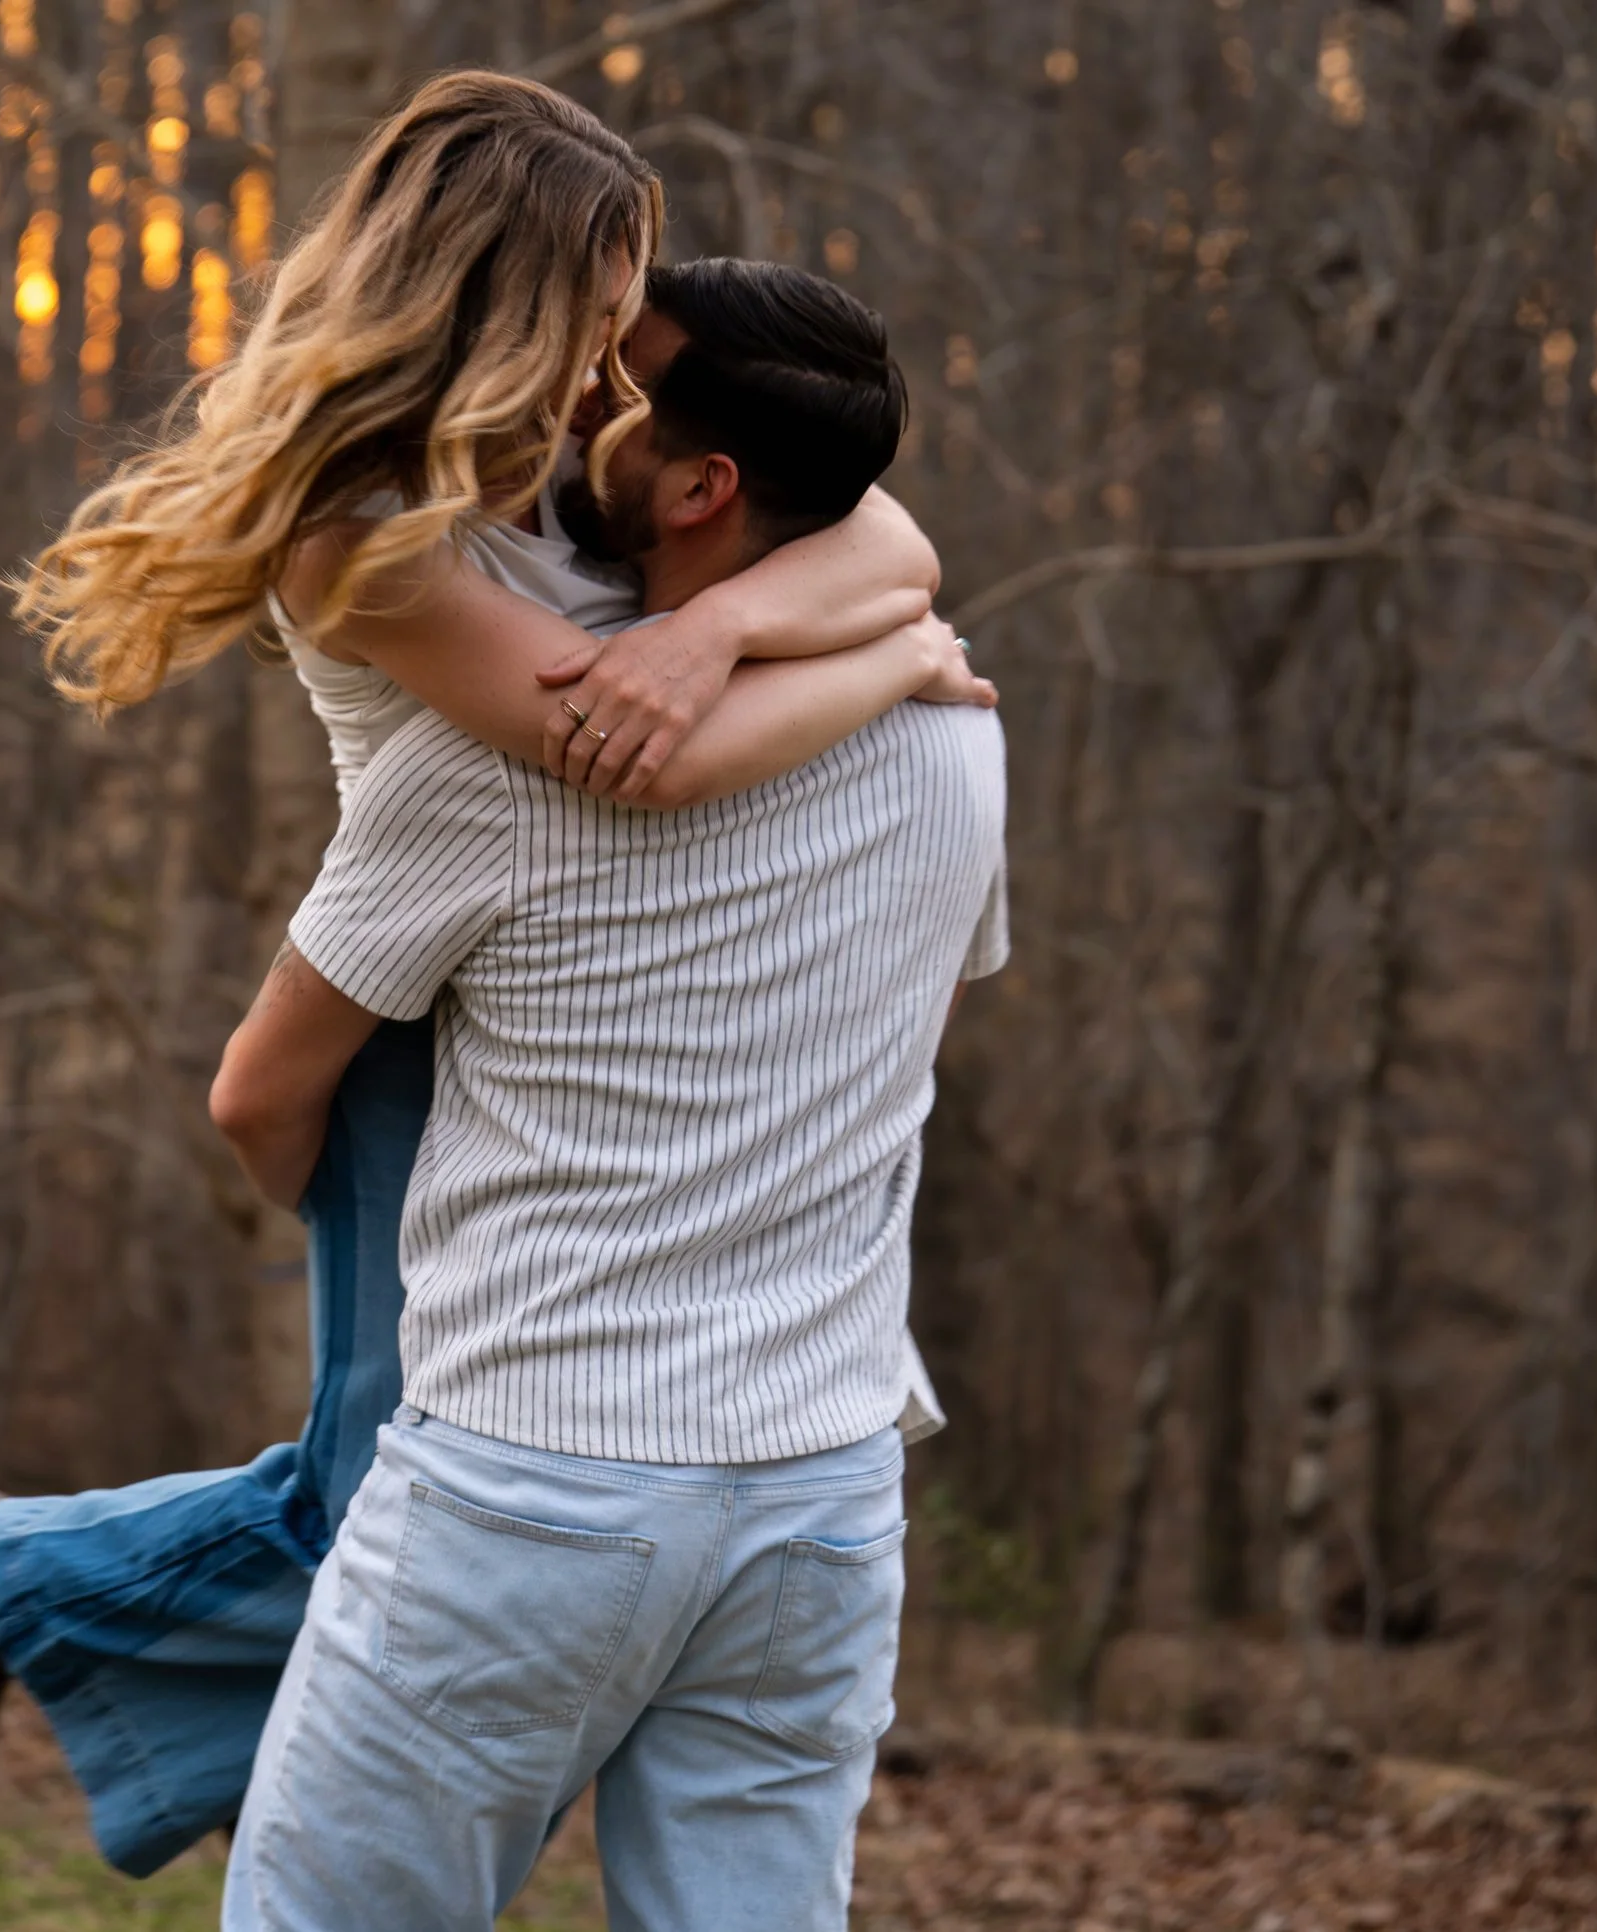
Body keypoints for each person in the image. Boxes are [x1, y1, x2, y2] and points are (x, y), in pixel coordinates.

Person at [0, 72, 988, 1875]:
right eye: (599, 327)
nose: (617, 377)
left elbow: (892, 542)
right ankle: (6, 1578)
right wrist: (880, 665)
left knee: (394, 1512)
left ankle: (69, 1612)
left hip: (555, 973)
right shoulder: (362, 533)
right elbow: (634, 758)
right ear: (503, 301)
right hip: (425, 1010)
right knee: (377, 1498)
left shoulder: (563, 453)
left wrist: (729, 622)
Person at [204, 266, 1009, 1930]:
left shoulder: (498, 759)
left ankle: (17, 1577)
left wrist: (384, 1208)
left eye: (625, 397)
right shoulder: (957, 734)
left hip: (535, 1477)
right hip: (822, 1500)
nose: (586, 407)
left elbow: (258, 1104)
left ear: (705, 485)